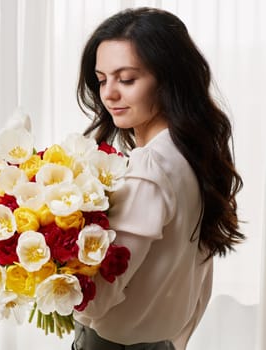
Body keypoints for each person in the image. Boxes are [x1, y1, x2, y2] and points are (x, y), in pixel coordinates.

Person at [73, 7, 244, 350]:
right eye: (102, 78)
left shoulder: (150, 167)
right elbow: (199, 286)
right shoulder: (193, 155)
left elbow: (97, 299)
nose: (109, 94)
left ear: (168, 79)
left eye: (127, 79)